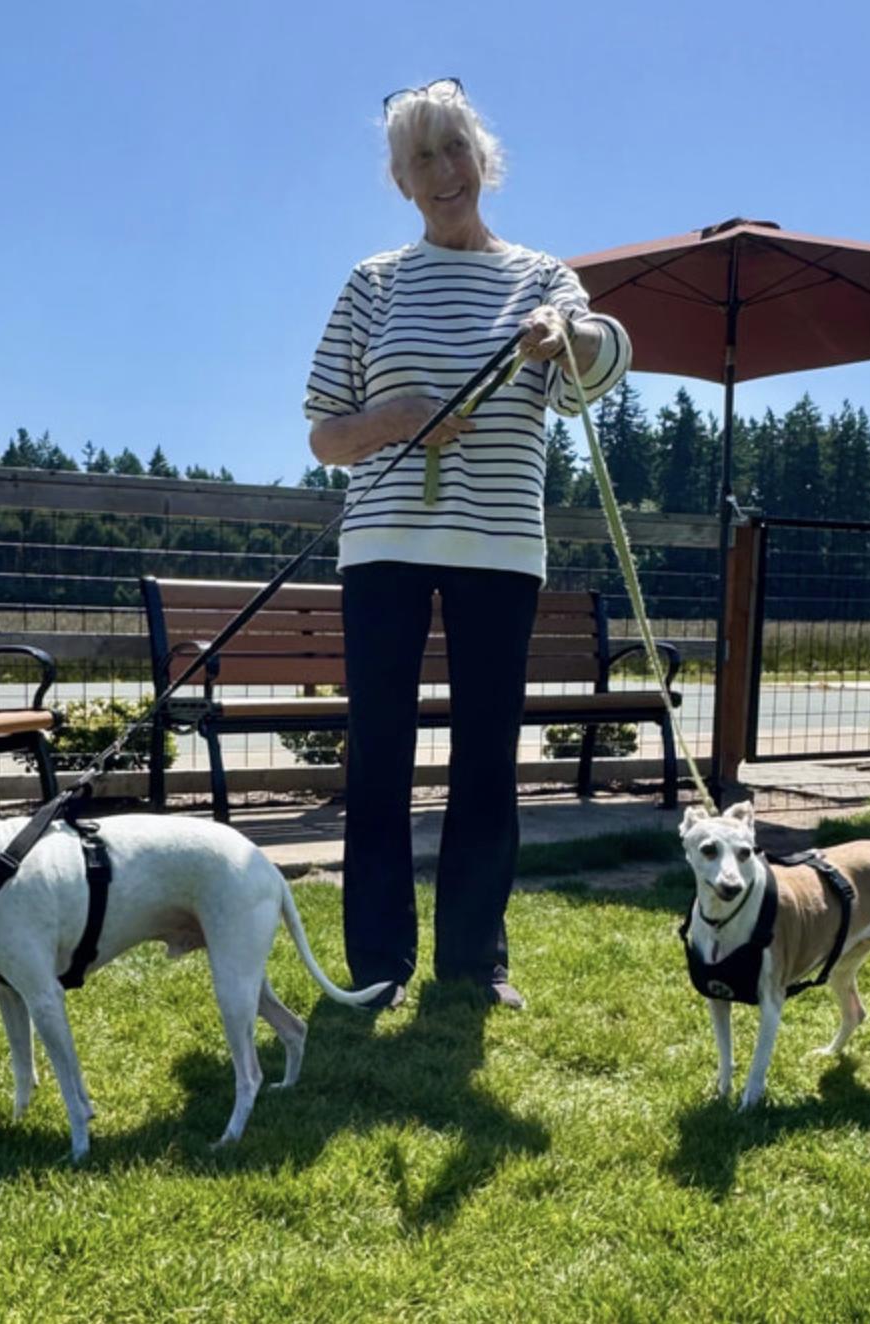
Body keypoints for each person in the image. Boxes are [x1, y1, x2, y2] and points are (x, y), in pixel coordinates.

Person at [303, 78, 631, 1011]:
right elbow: (325, 435)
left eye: (455, 150)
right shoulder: (372, 283)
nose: (443, 172)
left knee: (488, 757)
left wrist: (566, 331)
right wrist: (397, 418)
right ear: (401, 182)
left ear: (483, 160)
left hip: (499, 550)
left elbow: (593, 372)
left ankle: (474, 961)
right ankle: (377, 963)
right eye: (421, 159)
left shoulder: (542, 278)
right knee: (380, 754)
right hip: (382, 547)